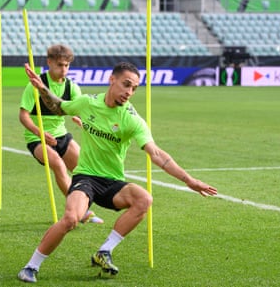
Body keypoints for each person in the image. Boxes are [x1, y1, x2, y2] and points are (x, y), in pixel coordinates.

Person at [17, 62, 218, 283]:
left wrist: (189, 180)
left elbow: (156, 153)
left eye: (134, 89)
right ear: (112, 80)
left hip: (113, 182)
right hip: (86, 177)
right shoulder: (87, 103)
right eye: (126, 85)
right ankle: (31, 266)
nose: (129, 92)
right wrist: (42, 89)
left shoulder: (132, 119)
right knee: (71, 219)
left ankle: (104, 251)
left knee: (144, 199)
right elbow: (59, 106)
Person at [19, 44, 102, 224]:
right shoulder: (35, 85)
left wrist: (81, 119)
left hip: (61, 135)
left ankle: (82, 205)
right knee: (58, 164)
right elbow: (23, 115)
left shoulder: (72, 86)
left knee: (83, 169)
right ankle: (81, 212)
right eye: (60, 65)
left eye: (67, 66)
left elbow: (79, 110)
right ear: (49, 63)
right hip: (37, 138)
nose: (64, 69)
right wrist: (39, 132)